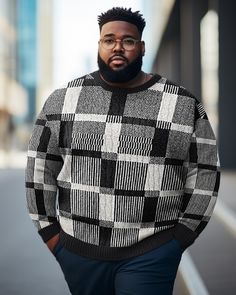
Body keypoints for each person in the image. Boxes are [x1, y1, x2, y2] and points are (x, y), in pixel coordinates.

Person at [25, 7, 221, 295]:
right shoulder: (63, 100)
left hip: (152, 250)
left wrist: (181, 237)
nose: (118, 47)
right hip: (79, 252)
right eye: (109, 40)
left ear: (141, 47)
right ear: (99, 45)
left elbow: (204, 171)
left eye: (128, 41)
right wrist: (52, 236)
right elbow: (40, 170)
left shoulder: (182, 104)